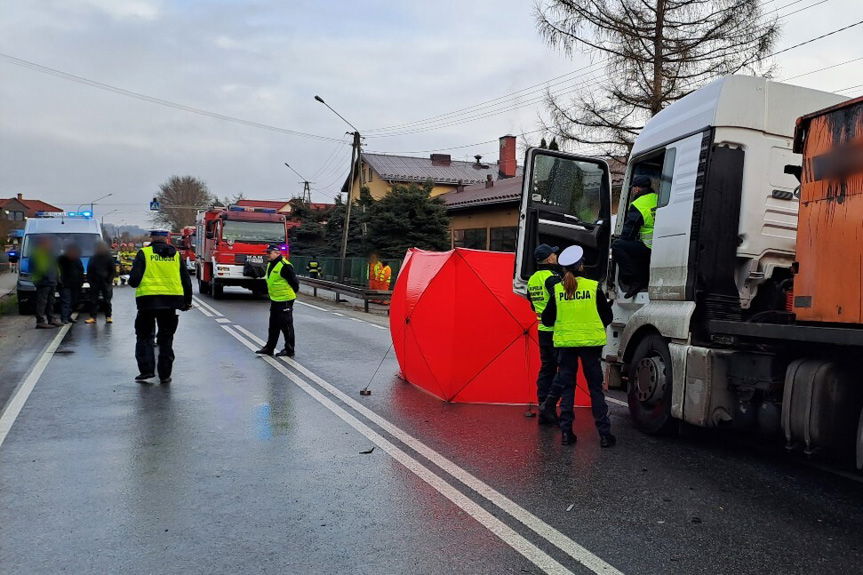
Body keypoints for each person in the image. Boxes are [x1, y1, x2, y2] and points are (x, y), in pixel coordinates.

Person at [540, 245, 616, 447]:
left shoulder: (558, 289)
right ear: (581, 266)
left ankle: (566, 433)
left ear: (564, 269)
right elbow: (608, 316)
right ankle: (605, 435)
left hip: (566, 345)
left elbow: (547, 320)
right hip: (591, 345)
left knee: (567, 388)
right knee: (595, 390)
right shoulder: (592, 287)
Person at [128, 230, 193, 384]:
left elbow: (134, 281)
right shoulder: (176, 255)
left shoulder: (144, 253)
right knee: (166, 339)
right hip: (171, 303)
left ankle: (147, 371)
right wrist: (187, 302)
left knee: (144, 337)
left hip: (147, 302)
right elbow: (186, 280)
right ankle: (165, 374)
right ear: (166, 239)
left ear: (151, 239)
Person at [526, 244, 561, 425]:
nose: (556, 256)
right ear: (549, 258)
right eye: (554, 254)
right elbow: (560, 301)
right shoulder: (552, 278)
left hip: (542, 330)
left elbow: (532, 305)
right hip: (556, 330)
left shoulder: (532, 280)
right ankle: (549, 405)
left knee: (547, 368)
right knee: (562, 371)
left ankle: (542, 404)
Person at [611, 174, 657, 298]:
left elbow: (628, 233)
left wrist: (618, 239)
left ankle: (634, 280)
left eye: (633, 188)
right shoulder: (657, 198)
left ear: (636, 189)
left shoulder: (638, 205)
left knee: (618, 245)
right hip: (660, 245)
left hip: (649, 246)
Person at [256, 244, 300, 357]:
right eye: (267, 253)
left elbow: (295, 283)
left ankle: (289, 350)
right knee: (273, 325)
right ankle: (269, 348)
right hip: (275, 299)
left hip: (285, 299)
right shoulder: (271, 264)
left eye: (269, 253)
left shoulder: (285, 266)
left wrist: (288, 295)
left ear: (277, 253)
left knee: (286, 326)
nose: (267, 255)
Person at [31, 236, 60, 329]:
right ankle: (40, 321)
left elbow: (55, 266)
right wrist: (46, 276)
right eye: (46, 243)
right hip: (43, 281)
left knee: (51, 302)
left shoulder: (50, 253)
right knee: (42, 302)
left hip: (51, 281)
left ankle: (51, 319)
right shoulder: (38, 253)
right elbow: (39, 267)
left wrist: (58, 276)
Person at [85, 241, 116, 324]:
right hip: (95, 283)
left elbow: (113, 270)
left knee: (107, 301)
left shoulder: (108, 257)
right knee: (93, 301)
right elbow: (89, 270)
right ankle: (93, 317)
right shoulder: (93, 258)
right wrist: (90, 281)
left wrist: (109, 280)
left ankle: (108, 317)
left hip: (106, 283)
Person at [57, 243, 84, 324]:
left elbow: (81, 270)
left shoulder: (77, 260)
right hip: (65, 284)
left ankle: (68, 316)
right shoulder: (62, 259)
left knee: (74, 301)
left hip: (76, 285)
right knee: (66, 301)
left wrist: (81, 281)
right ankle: (64, 318)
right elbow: (57, 270)